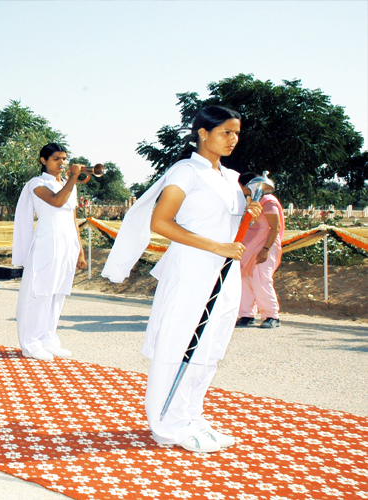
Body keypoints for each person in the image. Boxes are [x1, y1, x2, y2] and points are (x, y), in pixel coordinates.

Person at [102, 105, 262, 453]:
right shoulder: (186, 172)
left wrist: (246, 213)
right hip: (192, 269)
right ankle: (166, 424)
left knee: (210, 347)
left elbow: (223, 224)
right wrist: (215, 245)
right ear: (203, 133)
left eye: (236, 133)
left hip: (223, 273)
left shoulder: (230, 178)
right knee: (180, 344)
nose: (233, 139)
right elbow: (161, 222)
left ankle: (190, 414)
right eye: (225, 132)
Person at [12, 143, 87, 361]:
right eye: (57, 159)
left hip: (67, 243)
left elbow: (72, 218)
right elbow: (56, 201)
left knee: (58, 292)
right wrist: (73, 178)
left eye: (64, 159)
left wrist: (79, 251)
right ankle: (31, 343)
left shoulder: (66, 183)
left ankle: (49, 339)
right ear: (44, 161)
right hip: (47, 241)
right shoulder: (37, 183)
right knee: (41, 292)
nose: (62, 163)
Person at [236, 172, 285, 329]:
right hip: (249, 248)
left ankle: (271, 315)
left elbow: (275, 227)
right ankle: (246, 315)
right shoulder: (251, 202)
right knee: (245, 279)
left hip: (265, 246)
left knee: (261, 279)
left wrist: (265, 249)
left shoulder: (268, 202)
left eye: (241, 186)